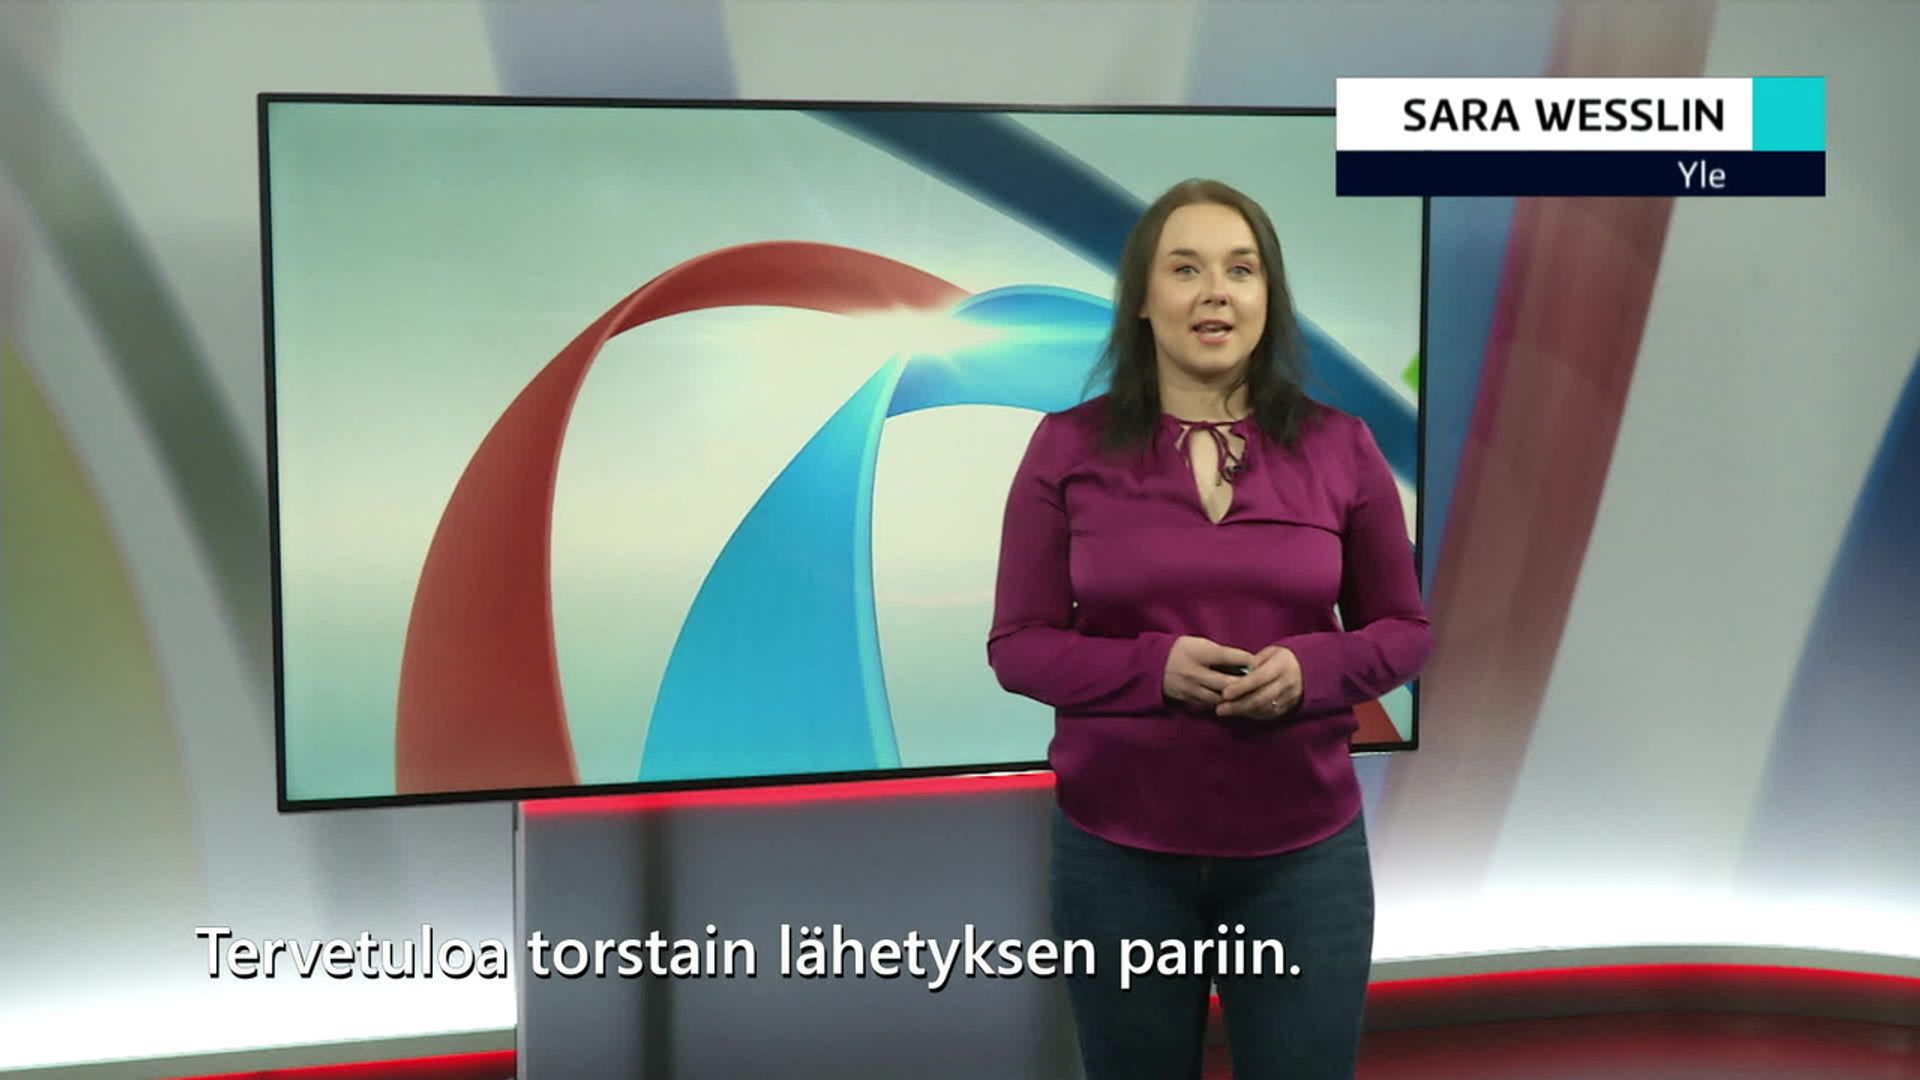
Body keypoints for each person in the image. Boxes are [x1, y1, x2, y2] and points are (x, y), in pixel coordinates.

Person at [986, 178, 1431, 1079]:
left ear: (1269, 296)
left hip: (1304, 859)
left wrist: (1312, 671)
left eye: (1241, 269)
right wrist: (1153, 670)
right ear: (1143, 301)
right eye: (1185, 269)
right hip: (1118, 858)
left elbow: (1403, 630)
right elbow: (1019, 645)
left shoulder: (1341, 446)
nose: (1215, 292)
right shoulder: (1066, 447)